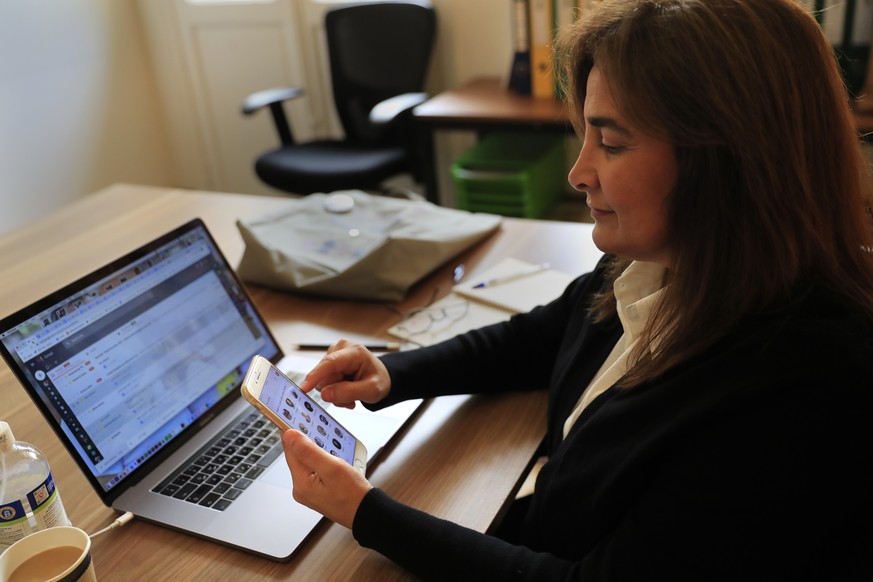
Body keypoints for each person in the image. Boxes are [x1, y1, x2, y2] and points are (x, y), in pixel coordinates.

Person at [281, 0, 873, 579]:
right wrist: (394, 374)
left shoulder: (801, 387)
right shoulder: (666, 260)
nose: (578, 172)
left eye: (611, 144)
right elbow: (542, 335)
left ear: (729, 161)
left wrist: (367, 513)